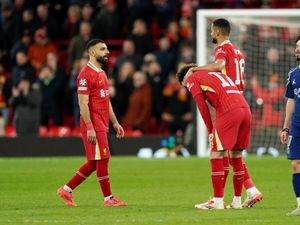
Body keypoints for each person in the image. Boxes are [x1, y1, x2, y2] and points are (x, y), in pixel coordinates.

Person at [190, 18, 262, 208]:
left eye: (212, 31)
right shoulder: (238, 51)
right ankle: (244, 195)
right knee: (234, 154)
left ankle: (219, 199)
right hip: (240, 99)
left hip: (228, 101)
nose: (211, 34)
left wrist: (196, 69)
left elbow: (218, 65)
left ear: (218, 32)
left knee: (220, 151)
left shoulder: (221, 48)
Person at [57, 39, 127, 207]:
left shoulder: (102, 73)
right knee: (103, 159)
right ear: (92, 52)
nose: (107, 52)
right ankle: (108, 199)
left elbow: (106, 100)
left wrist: (115, 122)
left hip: (102, 123)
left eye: (107, 48)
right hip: (93, 124)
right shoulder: (84, 75)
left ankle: (66, 190)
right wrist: (89, 127)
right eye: (103, 49)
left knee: (95, 162)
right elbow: (82, 103)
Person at [176, 64, 251, 209]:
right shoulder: (215, 73)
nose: (187, 88)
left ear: (184, 79)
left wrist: (210, 131)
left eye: (184, 86)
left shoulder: (192, 78)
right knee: (236, 155)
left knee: (216, 154)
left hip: (229, 110)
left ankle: (217, 202)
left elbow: (202, 107)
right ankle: (236, 201)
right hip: (245, 110)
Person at [280, 35, 300, 216]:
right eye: (296, 47)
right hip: (297, 126)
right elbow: (291, 101)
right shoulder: (293, 74)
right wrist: (286, 127)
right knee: (295, 164)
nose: (297, 50)